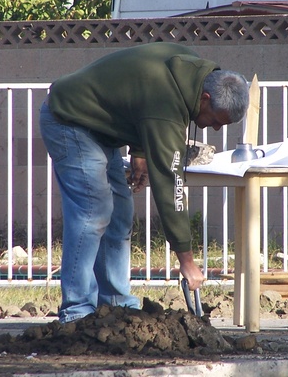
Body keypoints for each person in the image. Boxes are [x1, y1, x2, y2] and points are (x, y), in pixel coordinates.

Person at [40, 43, 249, 323]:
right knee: (94, 211)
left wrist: (139, 150)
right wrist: (186, 261)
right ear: (206, 98)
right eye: (215, 120)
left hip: (101, 128)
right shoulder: (167, 104)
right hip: (69, 121)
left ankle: (115, 304)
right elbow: (170, 184)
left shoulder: (192, 71)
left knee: (120, 214)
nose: (214, 128)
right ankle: (77, 311)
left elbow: (137, 97)